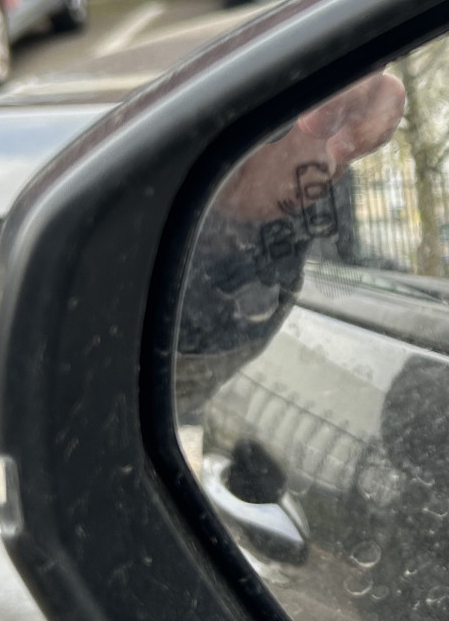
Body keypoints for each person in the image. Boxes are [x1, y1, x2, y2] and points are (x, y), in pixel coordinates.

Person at [174, 69, 406, 413]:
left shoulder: (322, 165)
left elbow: (177, 380)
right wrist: (227, 198)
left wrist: (236, 205)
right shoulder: (311, 158)